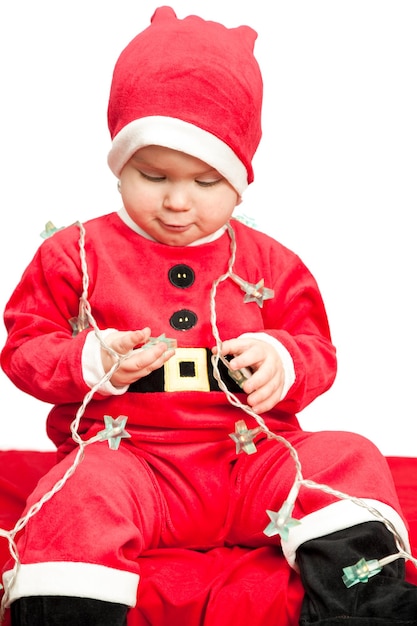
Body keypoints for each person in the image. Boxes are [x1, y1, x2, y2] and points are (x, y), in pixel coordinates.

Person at [1, 6, 416, 625]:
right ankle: (67, 608)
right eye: (152, 174)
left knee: (349, 455)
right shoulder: (76, 253)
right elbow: (23, 347)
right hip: (131, 465)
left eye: (205, 181)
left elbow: (316, 349)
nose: (175, 200)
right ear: (119, 163)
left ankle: (365, 604)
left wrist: (282, 360)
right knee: (80, 491)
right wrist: (89, 358)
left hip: (250, 463)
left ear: (242, 177)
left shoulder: (271, 261)